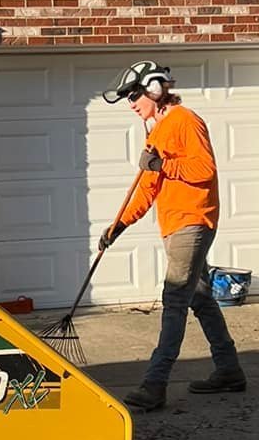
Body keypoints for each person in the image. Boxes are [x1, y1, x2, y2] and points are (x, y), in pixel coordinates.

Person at [98, 61, 246, 413]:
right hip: (175, 225)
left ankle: (155, 384)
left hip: (192, 222)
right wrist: (119, 224)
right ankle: (229, 370)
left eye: (133, 96)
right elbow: (147, 188)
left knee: (175, 298)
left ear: (154, 89)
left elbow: (204, 170)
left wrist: (161, 164)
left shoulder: (185, 120)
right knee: (200, 298)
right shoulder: (157, 132)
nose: (131, 105)